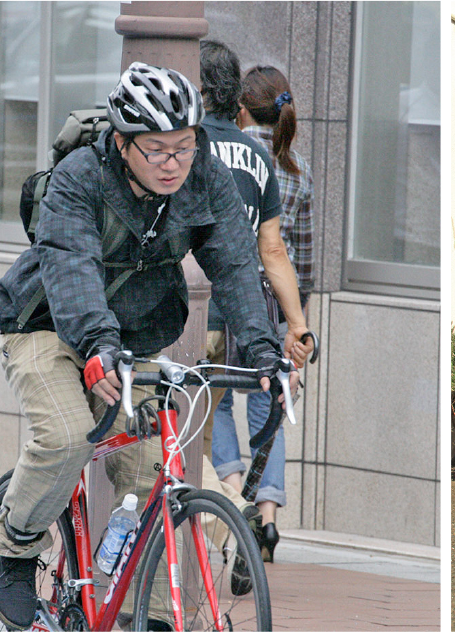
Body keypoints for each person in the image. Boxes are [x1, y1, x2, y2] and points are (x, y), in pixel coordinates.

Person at [0, 62, 294, 630]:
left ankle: (144, 618)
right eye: (157, 149)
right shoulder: (80, 179)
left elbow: (233, 263)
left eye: (185, 145)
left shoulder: (202, 174)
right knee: (65, 436)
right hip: (47, 325)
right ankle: (17, 545)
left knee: (157, 470)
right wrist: (97, 344)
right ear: (123, 143)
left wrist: (262, 351)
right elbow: (74, 268)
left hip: (130, 337)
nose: (175, 162)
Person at [198, 44, 313, 563]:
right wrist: (298, 324)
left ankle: (232, 494)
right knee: (269, 406)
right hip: (273, 310)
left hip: (225, 299)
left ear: (241, 107)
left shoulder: (217, 149)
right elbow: (298, 255)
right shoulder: (297, 170)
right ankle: (266, 519)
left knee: (215, 402)